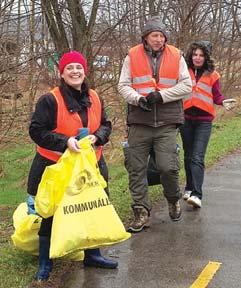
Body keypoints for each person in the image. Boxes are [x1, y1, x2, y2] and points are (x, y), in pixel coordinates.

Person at [27, 51, 118, 281]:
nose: (75, 71)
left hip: (92, 165)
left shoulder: (95, 97)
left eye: (79, 67)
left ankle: (93, 254)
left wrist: (98, 137)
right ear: (62, 73)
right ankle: (45, 263)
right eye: (70, 68)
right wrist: (65, 141)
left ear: (84, 71)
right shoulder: (50, 100)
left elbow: (106, 124)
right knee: (51, 214)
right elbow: (36, 131)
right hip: (55, 166)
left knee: (92, 209)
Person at [118, 16, 192, 233]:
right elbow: (123, 85)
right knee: (136, 169)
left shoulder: (177, 55)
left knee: (167, 167)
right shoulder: (131, 56)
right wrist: (137, 99)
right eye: (154, 35)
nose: (158, 39)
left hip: (167, 122)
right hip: (139, 122)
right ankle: (141, 211)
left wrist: (161, 96)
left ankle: (172, 198)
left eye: (161, 35)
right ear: (146, 38)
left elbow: (187, 85)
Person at [181, 41, 237, 208]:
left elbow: (216, 96)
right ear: (191, 56)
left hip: (204, 121)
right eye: (195, 54)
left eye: (201, 55)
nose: (198, 58)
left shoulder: (213, 75)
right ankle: (189, 188)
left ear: (206, 57)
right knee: (188, 156)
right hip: (185, 119)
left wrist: (223, 102)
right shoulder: (183, 72)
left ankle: (197, 195)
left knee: (197, 157)